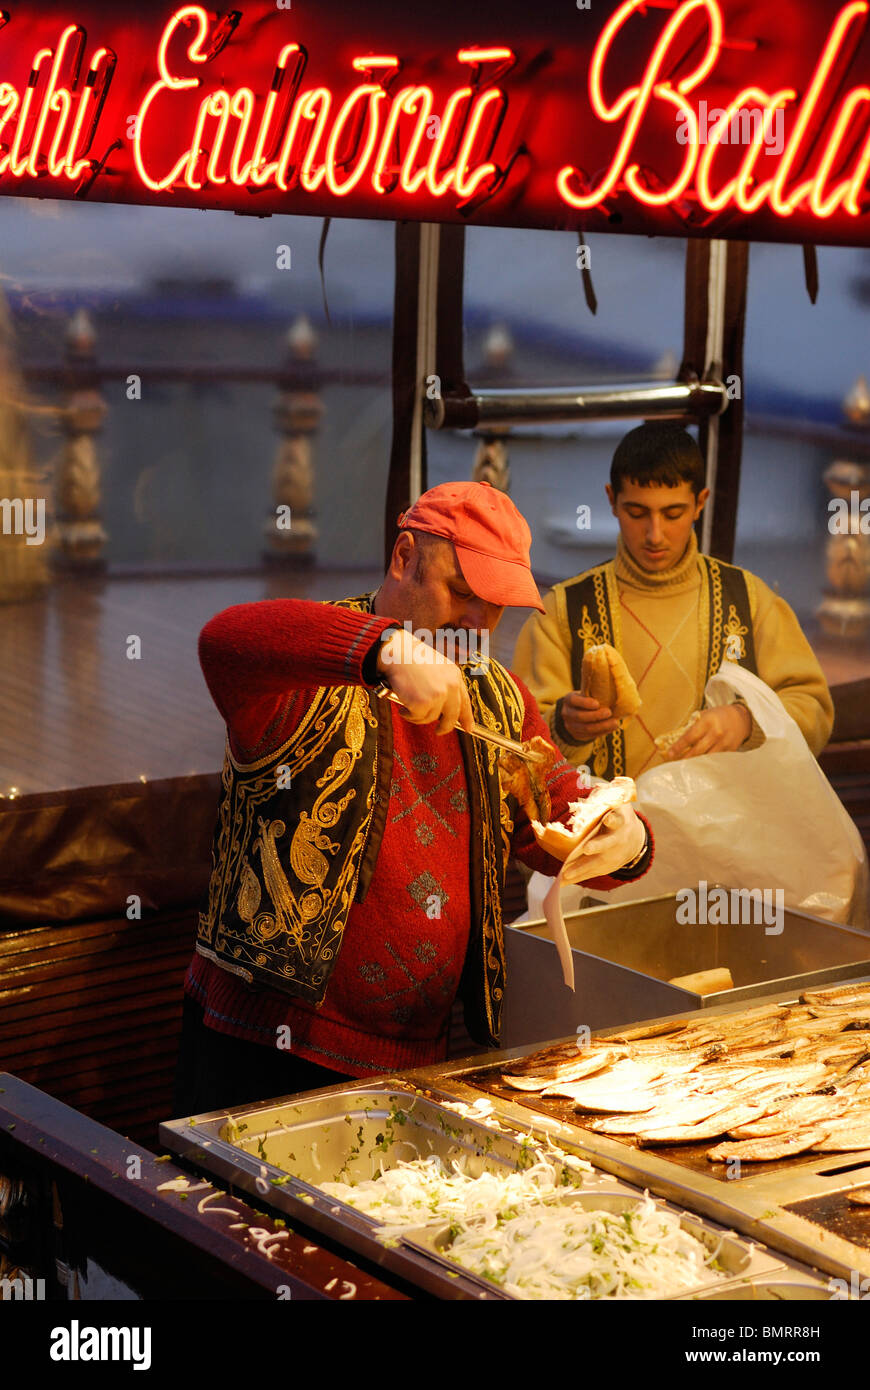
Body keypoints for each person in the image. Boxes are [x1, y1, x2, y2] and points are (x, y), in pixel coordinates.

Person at [174, 480, 653, 1115]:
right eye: (461, 593)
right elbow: (226, 639)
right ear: (403, 558)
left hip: (419, 1059)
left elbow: (555, 812)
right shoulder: (309, 670)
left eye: (496, 607)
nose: (478, 624)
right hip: (265, 1049)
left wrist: (625, 837)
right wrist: (384, 649)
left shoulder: (499, 696)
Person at [513, 422, 834, 780]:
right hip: (611, 830)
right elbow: (519, 746)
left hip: (725, 828)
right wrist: (565, 727)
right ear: (611, 500)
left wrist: (747, 719)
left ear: (700, 503)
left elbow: (814, 712)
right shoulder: (563, 612)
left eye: (673, 514)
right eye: (637, 513)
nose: (655, 534)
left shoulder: (749, 601)